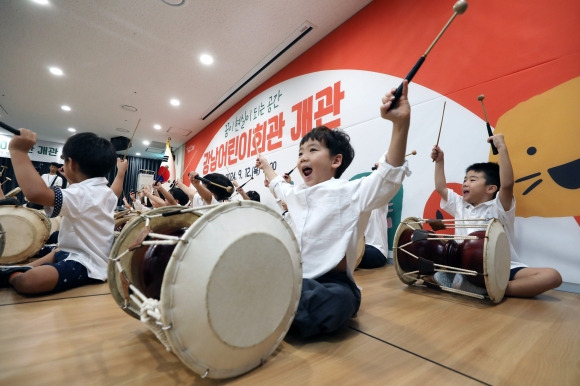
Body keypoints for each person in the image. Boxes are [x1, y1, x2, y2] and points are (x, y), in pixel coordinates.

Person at [256, 81, 411, 339]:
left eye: (313, 150)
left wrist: (400, 124)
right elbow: (277, 184)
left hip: (331, 283)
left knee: (338, 303)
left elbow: (387, 178)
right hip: (293, 278)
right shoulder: (296, 194)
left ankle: (271, 308)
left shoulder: (349, 192)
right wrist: (264, 165)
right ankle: (280, 306)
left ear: (336, 161)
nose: (303, 157)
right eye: (301, 152)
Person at [430, 134, 562, 298]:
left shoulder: (499, 207)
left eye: (472, 180)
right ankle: (476, 284)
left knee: (552, 277)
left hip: (502, 266)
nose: (465, 183)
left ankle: (490, 289)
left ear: (491, 188)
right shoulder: (459, 205)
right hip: (466, 266)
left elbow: (507, 184)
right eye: (465, 179)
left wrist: (502, 148)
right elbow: (440, 187)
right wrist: (439, 161)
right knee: (429, 263)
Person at [0, 130, 127, 295]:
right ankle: (18, 268)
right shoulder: (103, 192)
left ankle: (11, 274)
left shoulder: (84, 193)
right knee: (53, 251)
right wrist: (121, 172)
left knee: (28, 281)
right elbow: (116, 189)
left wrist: (19, 152)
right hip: (67, 251)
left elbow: (35, 194)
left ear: (72, 163)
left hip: (85, 263)